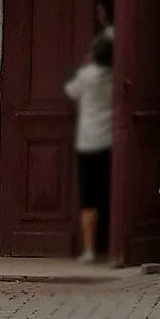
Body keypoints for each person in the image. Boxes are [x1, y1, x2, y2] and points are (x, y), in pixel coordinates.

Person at [65, 27, 114, 263]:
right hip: (110, 141)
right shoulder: (115, 75)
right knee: (110, 193)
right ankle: (114, 245)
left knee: (88, 199)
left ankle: (89, 249)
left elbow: (70, 91)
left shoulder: (87, 75)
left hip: (87, 142)